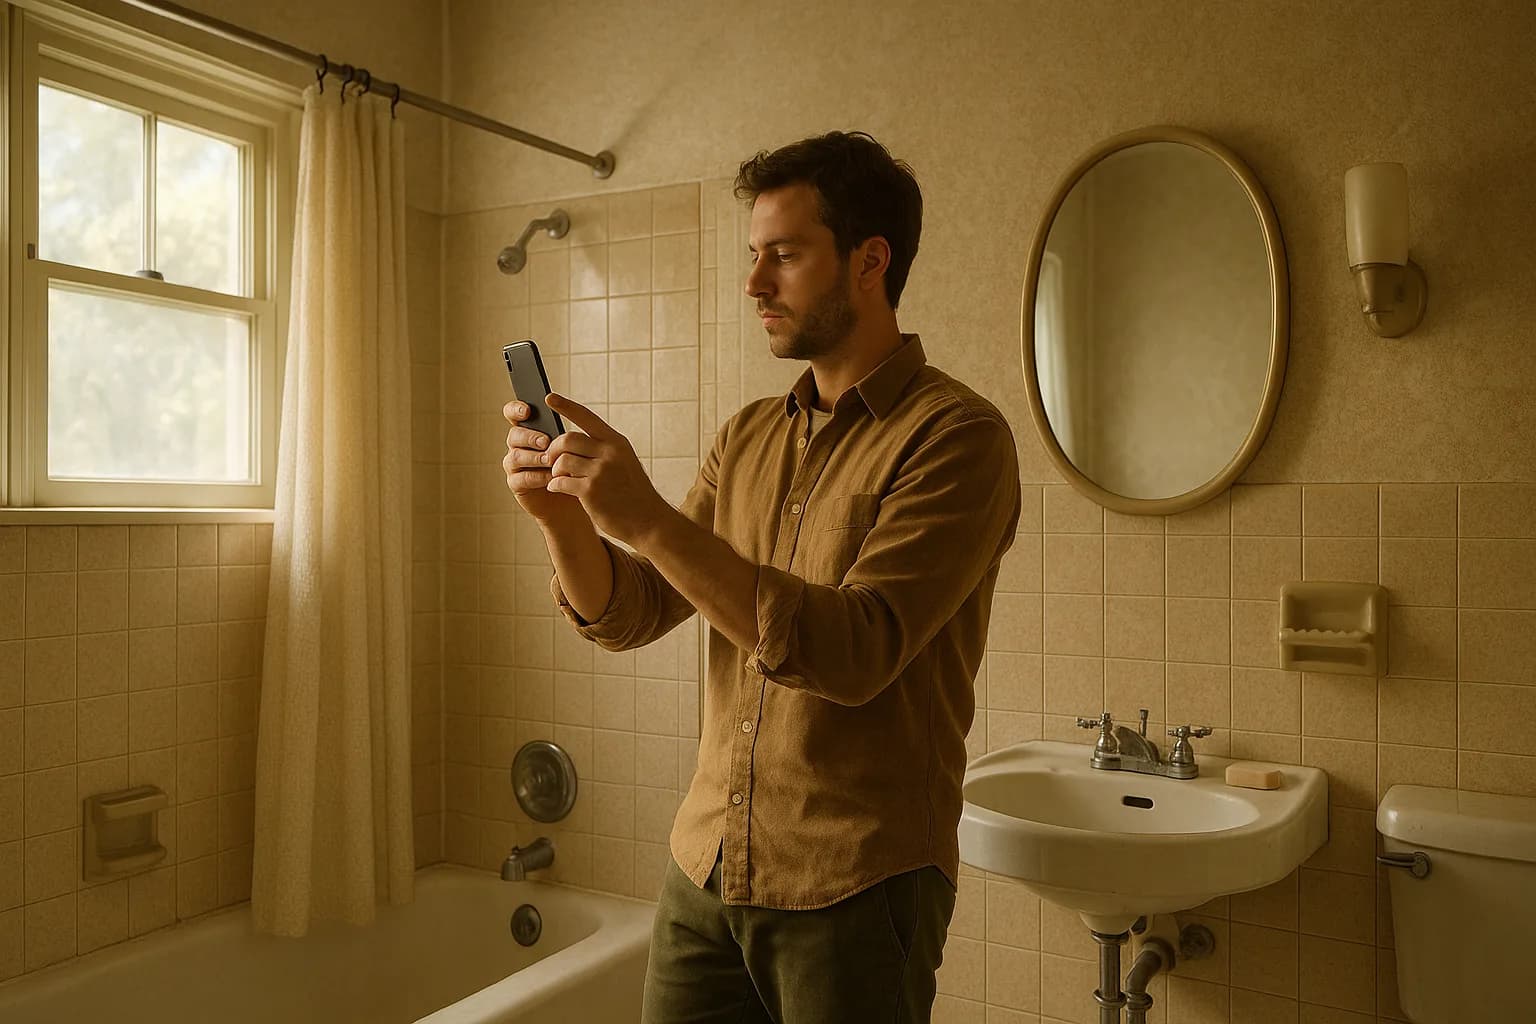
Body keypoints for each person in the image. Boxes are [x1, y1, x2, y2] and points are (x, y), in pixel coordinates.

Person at [502, 130, 1021, 1024]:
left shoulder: (957, 437)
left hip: (854, 884)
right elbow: (633, 611)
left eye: (783, 255)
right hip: (706, 866)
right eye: (753, 255)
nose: (753, 283)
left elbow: (855, 651)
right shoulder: (746, 436)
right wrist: (563, 520)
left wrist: (648, 518)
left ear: (869, 262)